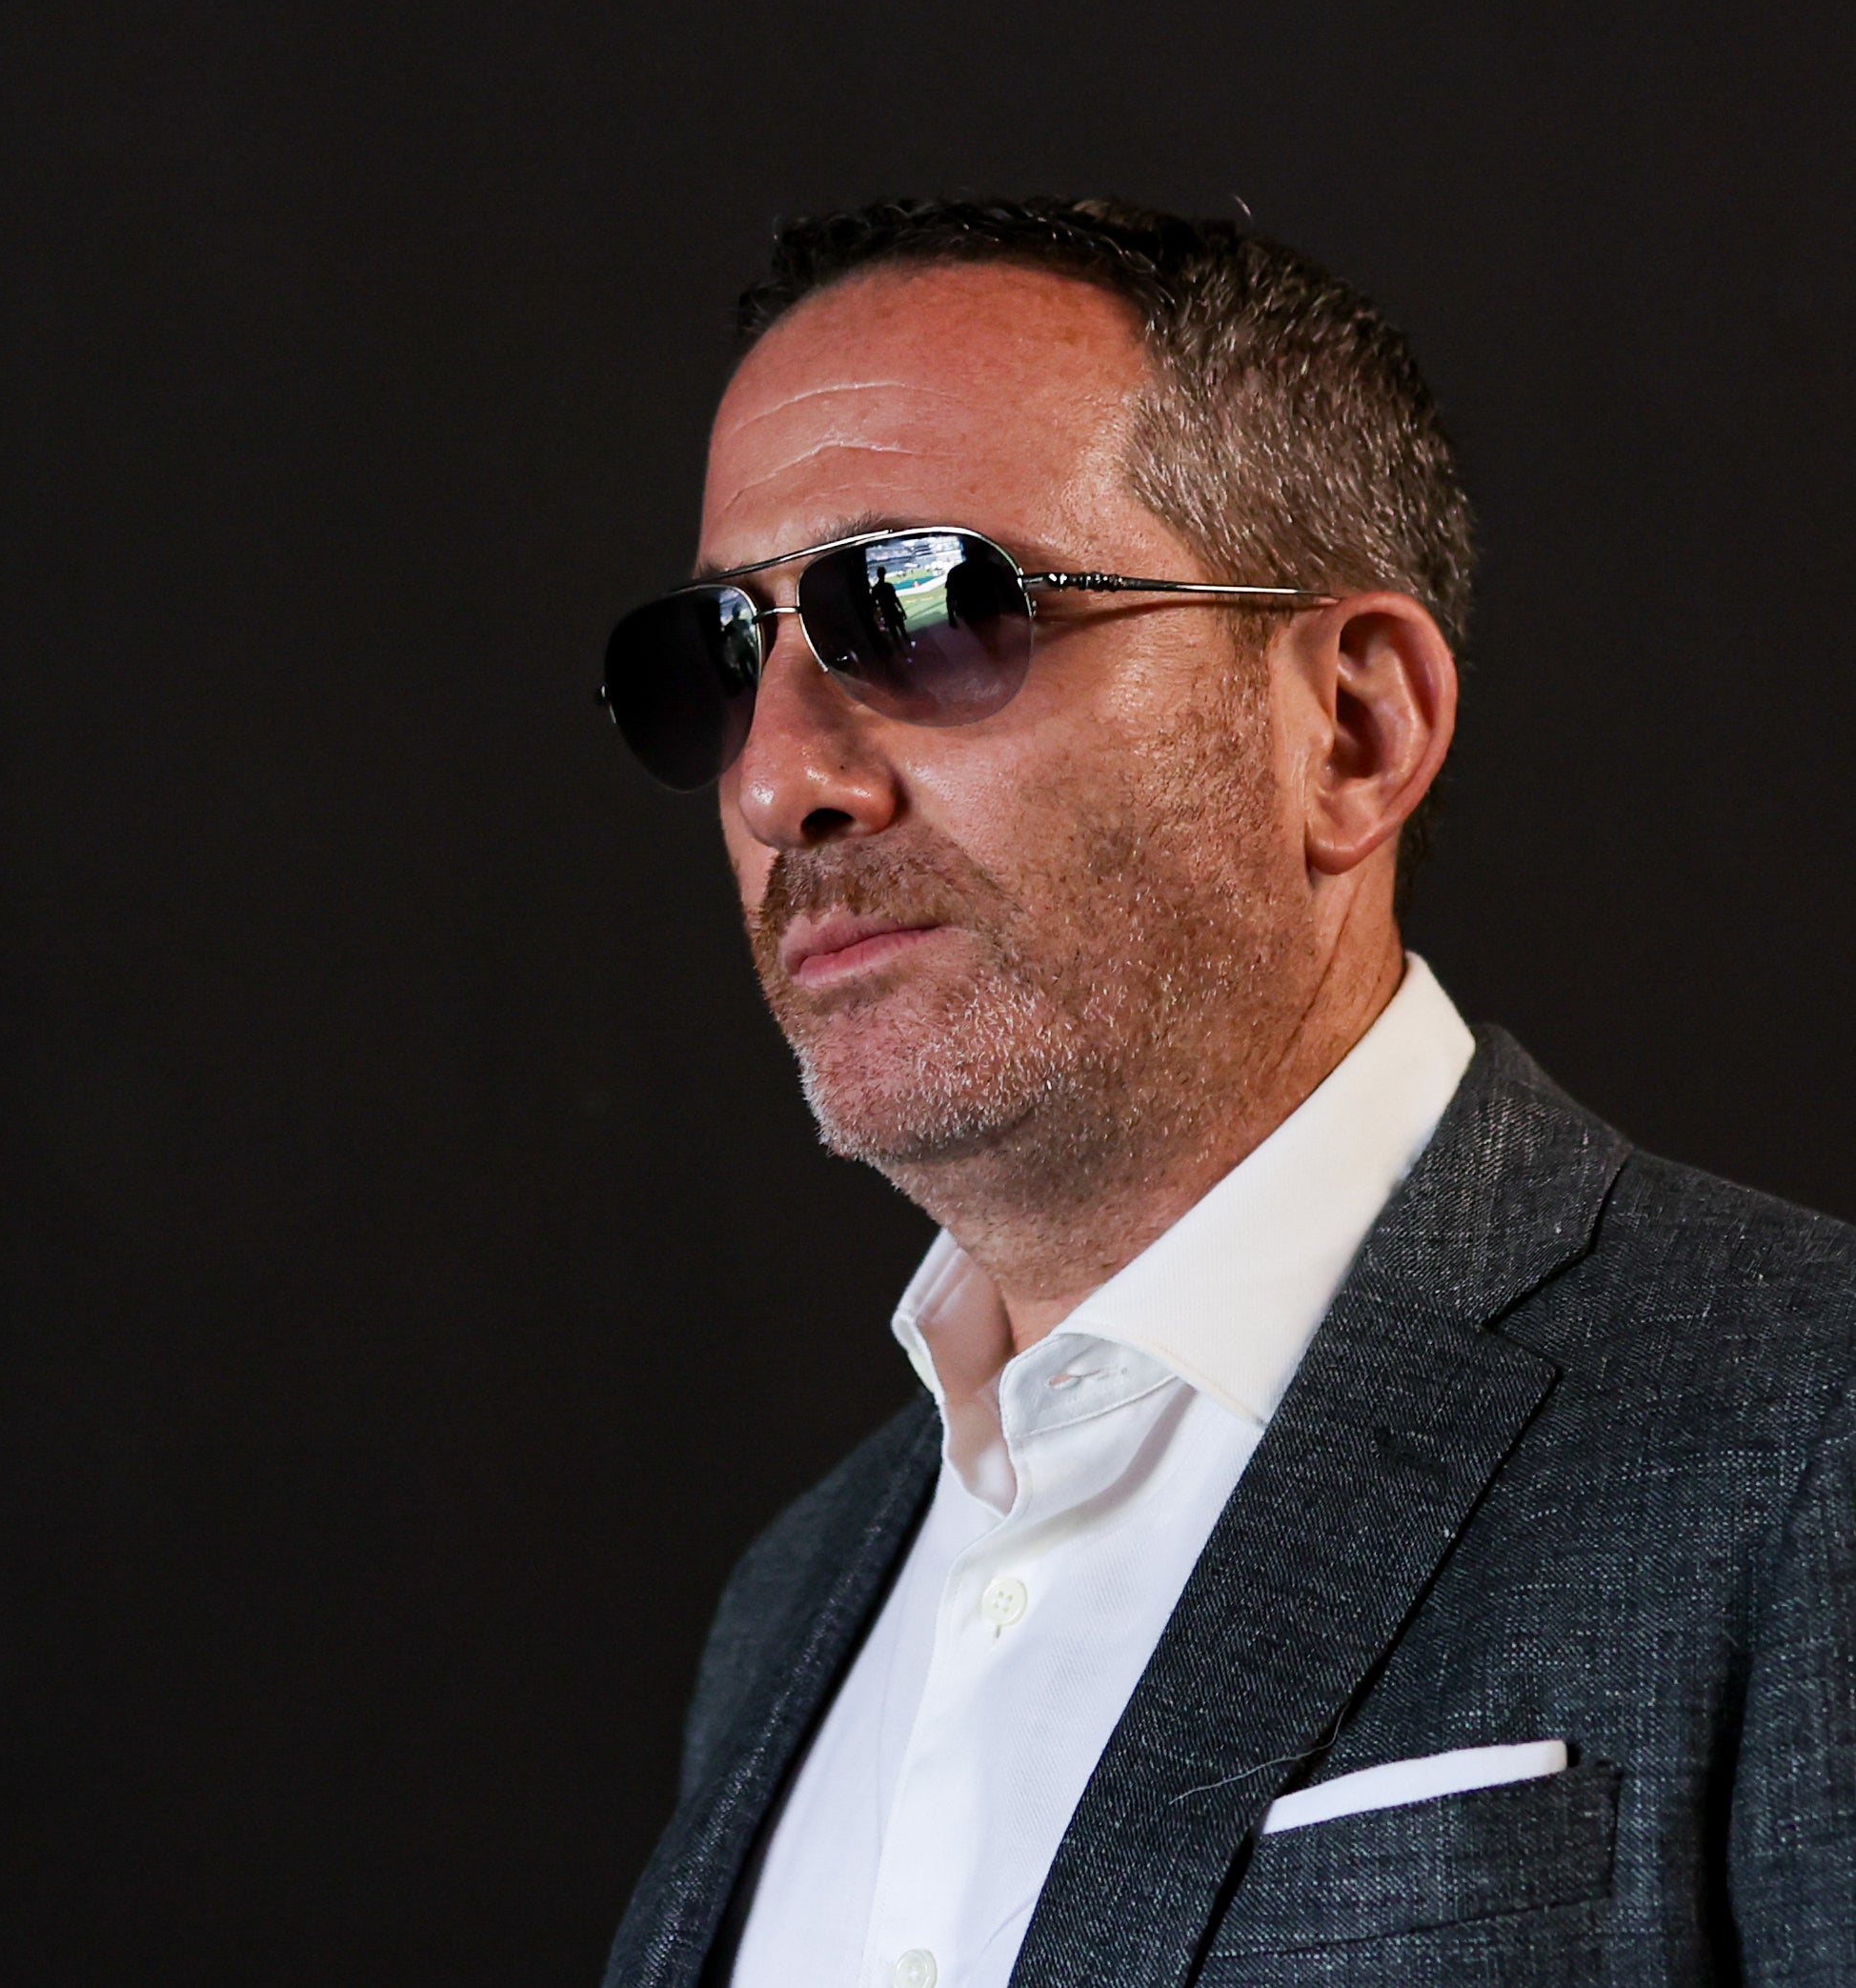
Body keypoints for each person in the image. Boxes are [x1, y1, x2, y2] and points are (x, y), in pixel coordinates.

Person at [593, 198, 1856, 1987]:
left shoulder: (1809, 1438)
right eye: (722, 658)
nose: (779, 775)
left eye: (931, 606)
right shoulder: (789, 1603)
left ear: (1351, 727)